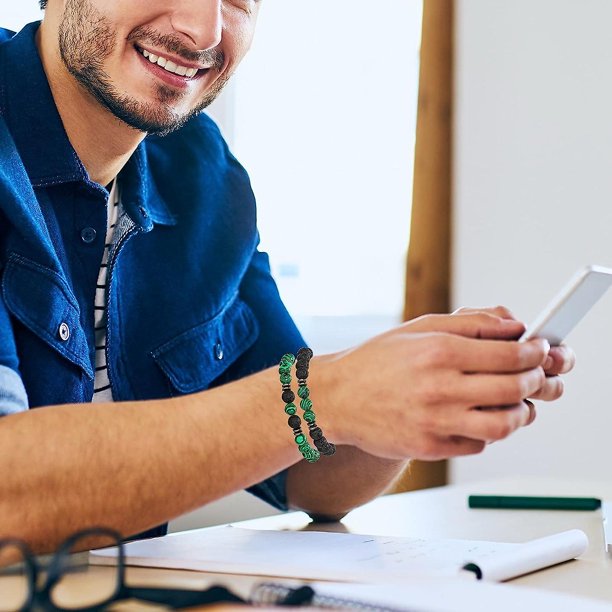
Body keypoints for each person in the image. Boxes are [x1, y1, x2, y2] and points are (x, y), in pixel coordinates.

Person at [0, 0, 574, 554]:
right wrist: (329, 394)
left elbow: (308, 470)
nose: (204, 30)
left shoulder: (205, 176)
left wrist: (412, 389)